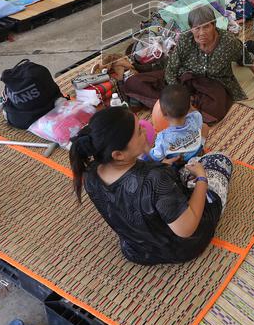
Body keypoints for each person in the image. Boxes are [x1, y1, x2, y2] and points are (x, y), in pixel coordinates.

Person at [69, 106, 232, 265]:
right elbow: (186, 229)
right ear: (118, 154)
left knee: (181, 170)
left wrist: (162, 167)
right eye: (139, 131)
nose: (145, 130)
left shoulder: (89, 173)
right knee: (218, 159)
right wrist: (202, 180)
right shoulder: (156, 178)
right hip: (182, 248)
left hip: (136, 250)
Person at [123, 6, 254, 124]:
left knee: (215, 110)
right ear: (191, 28)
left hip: (214, 82)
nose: (201, 32)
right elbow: (171, 69)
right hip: (184, 78)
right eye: (197, 28)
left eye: (206, 27)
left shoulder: (228, 42)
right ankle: (180, 106)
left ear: (214, 25)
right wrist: (179, 94)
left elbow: (243, 56)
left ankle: (173, 108)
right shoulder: (185, 40)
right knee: (134, 81)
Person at [148, 85, 207, 163]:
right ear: (189, 106)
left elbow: (156, 157)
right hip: (197, 151)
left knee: (156, 154)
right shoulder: (196, 117)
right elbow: (196, 115)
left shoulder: (163, 138)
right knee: (205, 126)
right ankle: (200, 148)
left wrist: (148, 150)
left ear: (163, 113)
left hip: (180, 163)